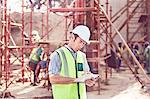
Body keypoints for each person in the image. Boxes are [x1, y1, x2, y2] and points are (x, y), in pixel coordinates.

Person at [49, 25, 96, 99]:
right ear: (72, 37)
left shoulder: (82, 56)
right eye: (80, 41)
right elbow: (53, 79)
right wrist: (75, 80)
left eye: (84, 43)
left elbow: (86, 73)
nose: (81, 45)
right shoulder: (58, 54)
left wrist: (89, 79)